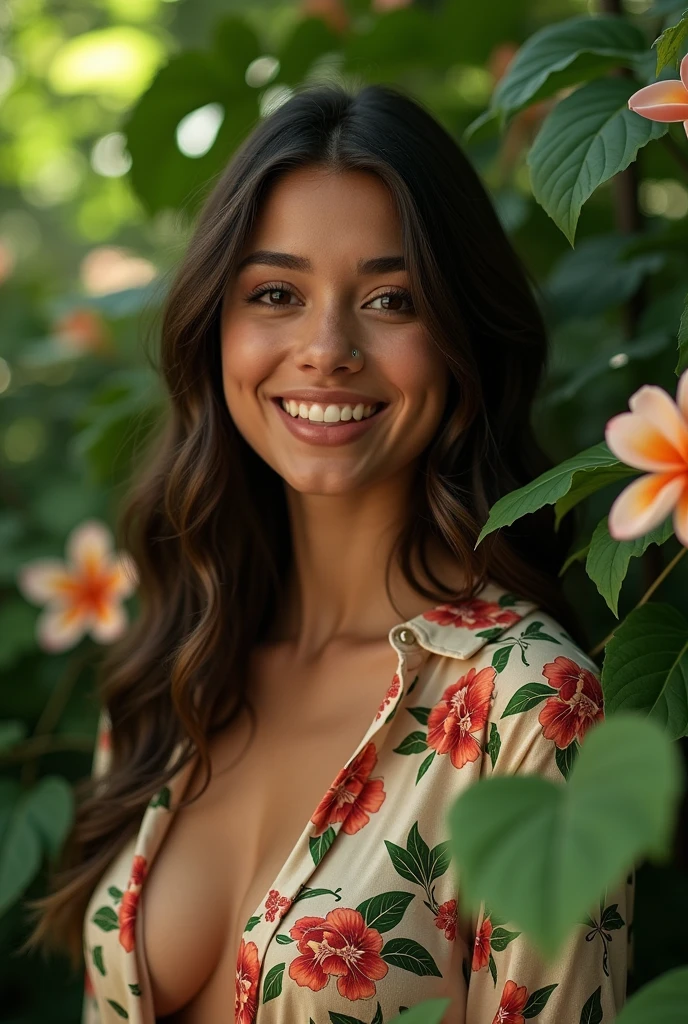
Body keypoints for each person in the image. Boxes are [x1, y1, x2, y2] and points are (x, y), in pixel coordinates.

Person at [21, 81, 632, 1023]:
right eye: (276, 293)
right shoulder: (171, 665)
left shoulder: (529, 711)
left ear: (464, 336)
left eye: (391, 299)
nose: (327, 348)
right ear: (214, 327)